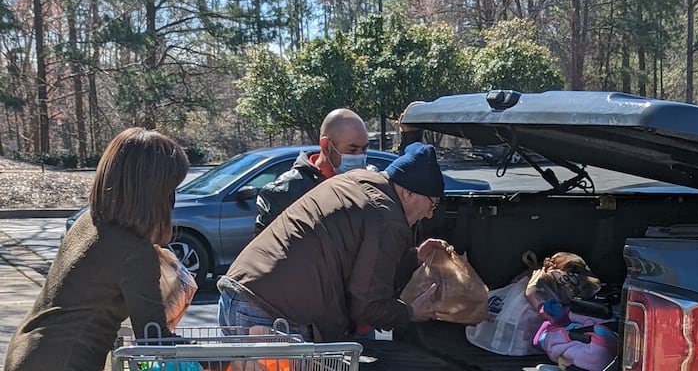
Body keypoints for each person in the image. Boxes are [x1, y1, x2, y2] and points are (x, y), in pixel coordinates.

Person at [217, 142, 449, 341]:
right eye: (432, 204)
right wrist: (410, 312)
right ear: (409, 194)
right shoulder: (388, 217)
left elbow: (358, 255)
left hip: (237, 293)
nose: (429, 214)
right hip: (271, 315)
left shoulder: (356, 181)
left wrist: (413, 257)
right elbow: (368, 306)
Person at [4, 127, 189, 371]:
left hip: (28, 350)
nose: (172, 200)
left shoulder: (90, 222)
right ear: (152, 193)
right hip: (64, 362)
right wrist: (224, 359)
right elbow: (154, 338)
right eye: (170, 190)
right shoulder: (134, 253)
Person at [253, 108, 369, 235]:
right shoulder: (285, 192)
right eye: (352, 150)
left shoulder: (368, 185)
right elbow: (267, 250)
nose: (360, 156)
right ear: (326, 145)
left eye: (364, 149)